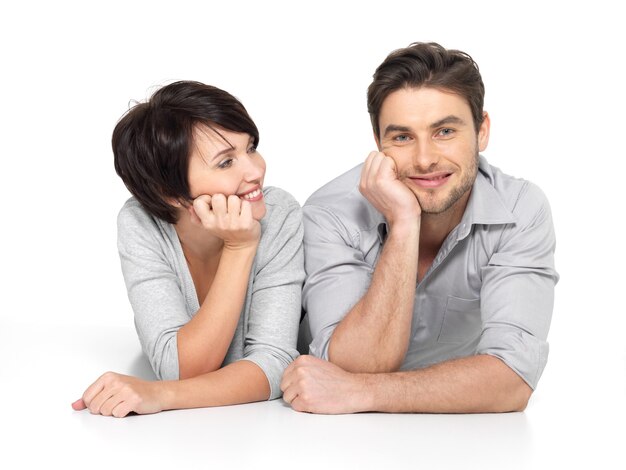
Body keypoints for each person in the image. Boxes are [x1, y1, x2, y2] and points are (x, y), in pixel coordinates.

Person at [281, 42, 558, 414]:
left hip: (459, 438)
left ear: (482, 131)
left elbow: (512, 380)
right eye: (402, 137)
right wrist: (404, 224)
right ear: (378, 142)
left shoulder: (520, 209)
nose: (425, 159)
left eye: (444, 131)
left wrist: (365, 392)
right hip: (330, 435)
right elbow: (350, 366)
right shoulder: (331, 213)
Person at [71, 81, 304, 417]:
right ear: (170, 192)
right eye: (226, 163)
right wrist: (239, 248)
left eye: (250, 148)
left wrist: (159, 395)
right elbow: (180, 367)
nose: (255, 171)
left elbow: (274, 364)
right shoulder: (141, 223)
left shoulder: (279, 213)